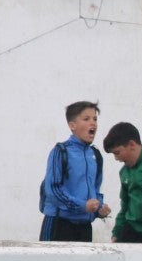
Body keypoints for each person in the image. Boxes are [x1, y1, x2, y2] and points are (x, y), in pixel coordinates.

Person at [39, 101, 110, 242]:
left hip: (84, 226)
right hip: (59, 223)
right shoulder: (61, 151)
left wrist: (99, 208)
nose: (93, 123)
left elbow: (95, 189)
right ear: (72, 126)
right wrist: (82, 206)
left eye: (95, 119)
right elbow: (53, 190)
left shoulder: (95, 154)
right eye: (86, 119)